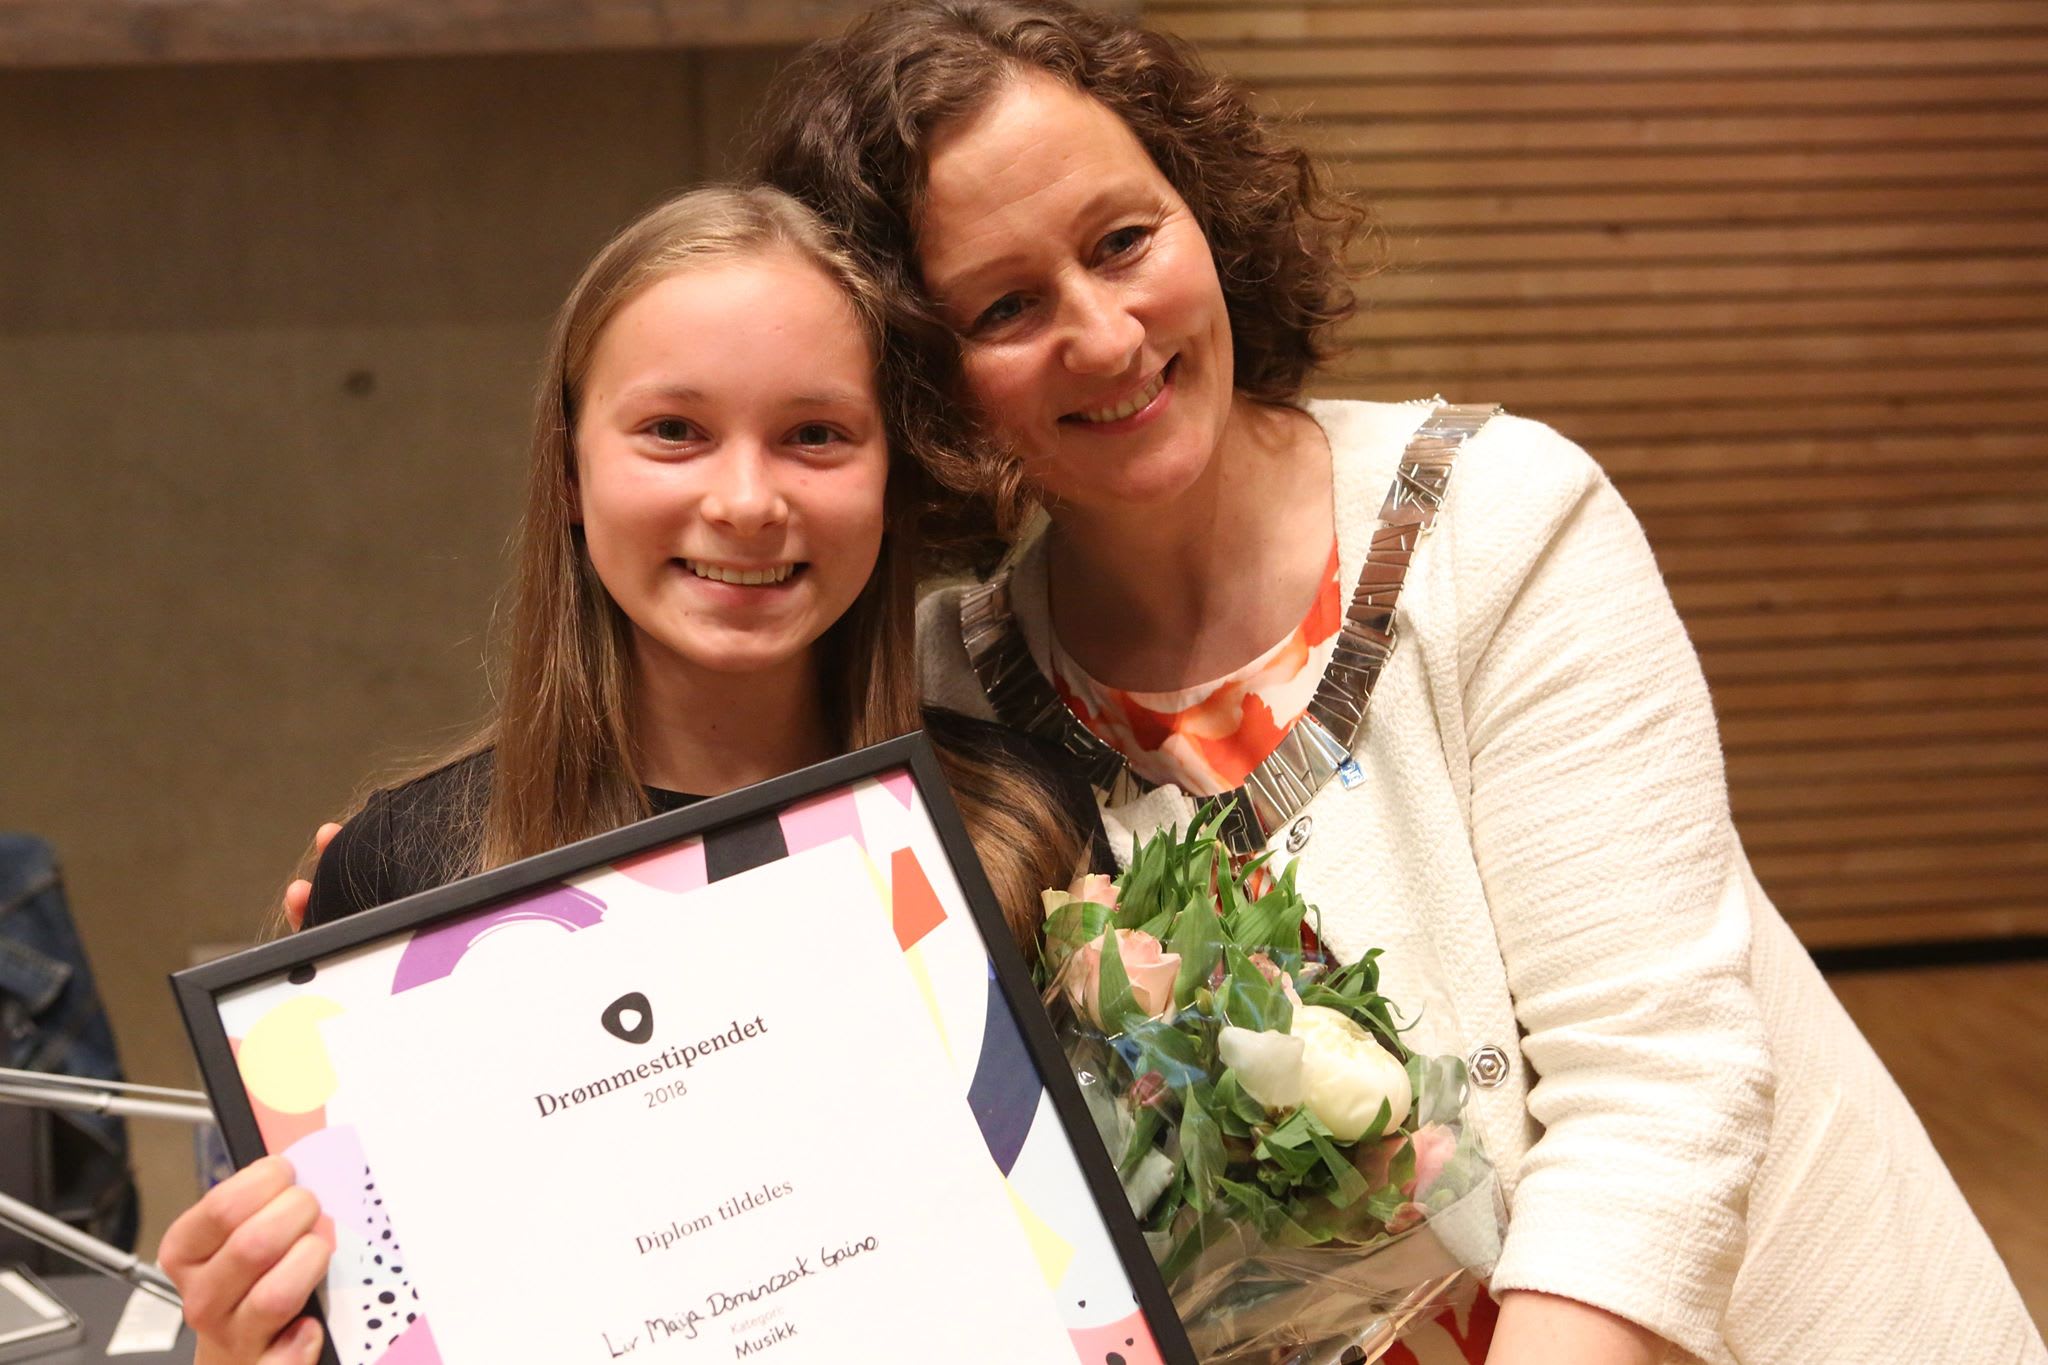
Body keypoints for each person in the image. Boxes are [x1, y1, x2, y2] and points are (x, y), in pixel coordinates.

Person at [754, 4, 2047, 1363]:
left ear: (1203, 212)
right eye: (1004, 307)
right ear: (922, 379)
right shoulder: (950, 689)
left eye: (1123, 239)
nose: (1104, 331)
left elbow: (1656, 1094)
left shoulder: (1496, 523)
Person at [157, 184, 1102, 1365]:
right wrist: (249, 1344)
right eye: (672, 431)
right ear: (568, 471)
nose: (745, 501)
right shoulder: (404, 883)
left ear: (891, 478)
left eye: (815, 435)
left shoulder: (1018, 830)